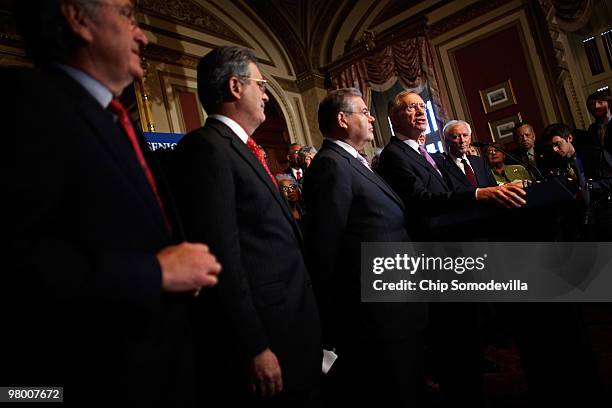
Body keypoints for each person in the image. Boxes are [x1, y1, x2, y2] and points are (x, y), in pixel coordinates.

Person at [2, 1, 222, 405]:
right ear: (78, 19)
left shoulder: (121, 124)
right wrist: (154, 272)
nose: (144, 35)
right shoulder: (22, 105)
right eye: (128, 15)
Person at [170, 45, 321, 407]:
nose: (266, 94)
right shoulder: (207, 148)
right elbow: (221, 255)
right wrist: (254, 346)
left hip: (291, 320)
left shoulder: (246, 149)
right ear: (235, 87)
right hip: (265, 335)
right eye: (261, 84)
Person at [303, 88, 427, 407]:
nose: (372, 117)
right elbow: (325, 248)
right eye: (364, 111)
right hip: (373, 314)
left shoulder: (356, 161)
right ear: (342, 119)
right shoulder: (331, 164)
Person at [376, 91, 526, 239]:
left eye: (422, 106)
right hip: (435, 241)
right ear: (395, 119)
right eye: (412, 107)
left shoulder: (422, 153)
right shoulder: (393, 155)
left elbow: (449, 189)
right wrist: (477, 193)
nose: (421, 111)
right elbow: (422, 201)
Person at [542, 122, 612, 240]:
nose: (554, 149)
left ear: (569, 138)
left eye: (557, 144)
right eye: (551, 146)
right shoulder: (554, 164)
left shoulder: (594, 154)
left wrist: (588, 186)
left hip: (605, 213)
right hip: (581, 222)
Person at [584, 88, 612, 154]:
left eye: (600, 102)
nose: (596, 106)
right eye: (592, 104)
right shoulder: (592, 129)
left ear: (608, 103)